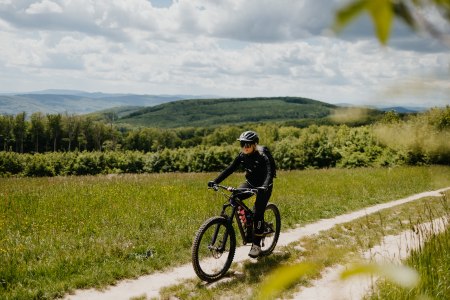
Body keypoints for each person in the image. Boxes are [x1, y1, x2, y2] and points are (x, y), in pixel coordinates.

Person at [208, 130, 276, 258]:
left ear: (255, 144)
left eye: (248, 144)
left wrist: (264, 186)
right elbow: (230, 169)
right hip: (250, 183)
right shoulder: (242, 156)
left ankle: (256, 245)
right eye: (242, 144)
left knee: (258, 213)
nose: (245, 147)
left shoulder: (262, 155)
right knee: (234, 198)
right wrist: (215, 181)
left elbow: (269, 172)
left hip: (264, 186)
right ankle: (249, 223)